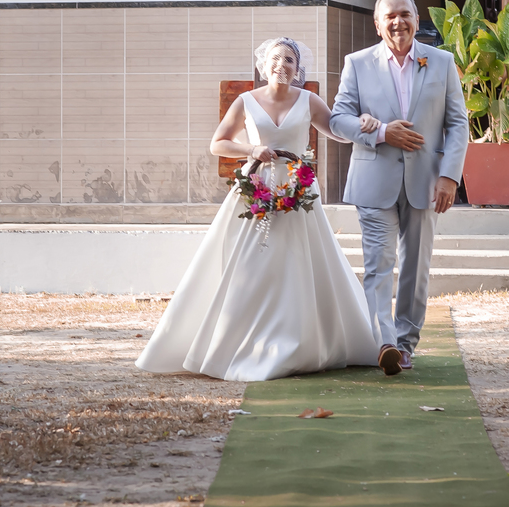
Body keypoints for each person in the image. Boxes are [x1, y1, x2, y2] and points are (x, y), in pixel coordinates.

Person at [135, 37, 381, 381]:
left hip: (298, 190)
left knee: (299, 260)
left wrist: (365, 122)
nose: (282, 65)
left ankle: (302, 342)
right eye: (276, 60)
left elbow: (337, 130)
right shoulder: (245, 101)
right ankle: (239, 342)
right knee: (251, 261)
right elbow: (217, 143)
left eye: (290, 61)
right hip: (257, 189)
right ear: (264, 66)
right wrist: (252, 150)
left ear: (298, 70)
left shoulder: (309, 100)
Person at [329, 0, 469, 376]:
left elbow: (458, 123)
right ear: (377, 25)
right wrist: (379, 133)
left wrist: (448, 176)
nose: (398, 22)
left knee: (415, 266)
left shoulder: (441, 62)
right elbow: (338, 119)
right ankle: (384, 341)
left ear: (416, 18)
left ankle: (406, 343)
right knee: (379, 263)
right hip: (374, 179)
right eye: (389, 16)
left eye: (405, 14)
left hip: (427, 181)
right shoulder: (357, 64)